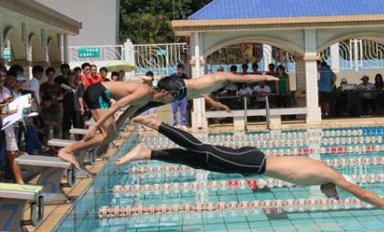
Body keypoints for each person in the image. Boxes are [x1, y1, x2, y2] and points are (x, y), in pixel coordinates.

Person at [118, 114, 384, 218]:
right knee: (201, 150)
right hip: (255, 162)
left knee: (200, 162)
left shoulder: (325, 174)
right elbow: (359, 192)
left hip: (254, 161)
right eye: (335, 187)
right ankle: (159, 125)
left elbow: (326, 184)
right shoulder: (329, 175)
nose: (334, 190)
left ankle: (148, 153)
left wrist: (331, 191)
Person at [58, 72, 279, 169]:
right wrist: (267, 77)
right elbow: (117, 106)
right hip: (100, 94)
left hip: (124, 98)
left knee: (116, 129)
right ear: (166, 93)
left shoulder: (158, 97)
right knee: (112, 131)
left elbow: (126, 114)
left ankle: (100, 147)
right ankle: (72, 149)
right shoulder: (218, 78)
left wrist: (217, 105)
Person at [40, 67, 64, 139]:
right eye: (49, 74)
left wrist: (55, 98)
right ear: (47, 75)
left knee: (58, 128)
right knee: (47, 129)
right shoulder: (43, 85)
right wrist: (46, 102)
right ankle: (49, 147)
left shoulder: (57, 85)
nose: (51, 76)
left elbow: (61, 96)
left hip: (56, 109)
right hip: (46, 109)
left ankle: (57, 146)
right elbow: (41, 96)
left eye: (52, 74)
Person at [61, 71, 85, 139]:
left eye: (73, 75)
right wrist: (67, 92)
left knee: (77, 124)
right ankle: (66, 141)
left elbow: (80, 96)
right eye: (70, 75)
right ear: (67, 76)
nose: (72, 77)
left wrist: (82, 107)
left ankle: (77, 141)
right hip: (67, 107)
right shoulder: (64, 85)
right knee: (66, 126)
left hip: (76, 107)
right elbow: (60, 96)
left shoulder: (78, 85)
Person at [169, 64, 189, 129]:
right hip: (175, 96)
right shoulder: (172, 76)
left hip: (183, 96)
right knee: (174, 110)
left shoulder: (185, 76)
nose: (181, 71)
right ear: (177, 69)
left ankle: (183, 124)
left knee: (183, 111)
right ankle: (174, 124)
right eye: (180, 69)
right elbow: (168, 83)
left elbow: (188, 83)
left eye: (182, 70)